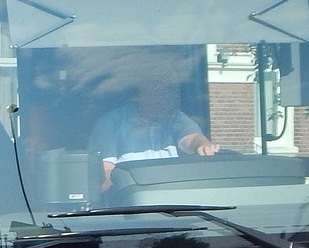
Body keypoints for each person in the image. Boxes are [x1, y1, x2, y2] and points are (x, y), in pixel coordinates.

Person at [89, 67, 220, 191]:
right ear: (141, 90)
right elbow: (104, 176)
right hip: (128, 204)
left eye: (171, 89)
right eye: (159, 87)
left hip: (177, 199)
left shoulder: (176, 119)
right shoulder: (111, 123)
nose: (168, 94)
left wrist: (203, 146)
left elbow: (192, 139)